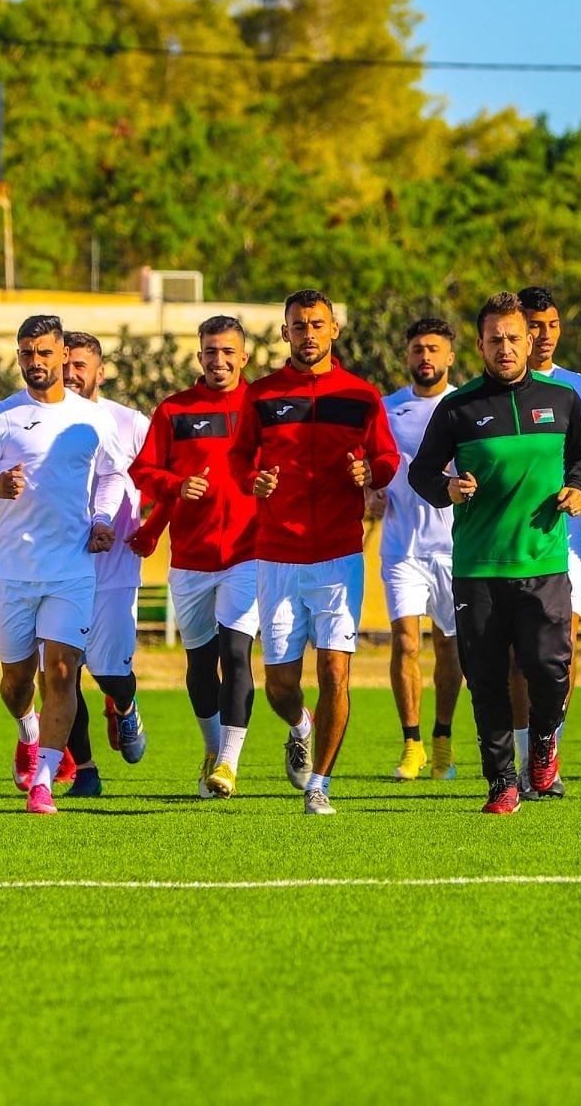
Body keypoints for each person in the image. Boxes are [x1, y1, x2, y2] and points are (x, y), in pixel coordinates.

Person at [407, 292, 581, 813]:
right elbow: (422, 471)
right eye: (495, 340)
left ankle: (542, 747)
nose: (506, 347)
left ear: (531, 339)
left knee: (550, 669)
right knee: (487, 680)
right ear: (480, 345)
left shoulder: (562, 399)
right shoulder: (458, 406)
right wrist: (446, 489)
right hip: (478, 568)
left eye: (514, 338)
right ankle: (502, 783)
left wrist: (580, 490)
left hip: (544, 563)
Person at [231, 289, 401, 815]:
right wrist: (252, 481)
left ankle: (319, 785)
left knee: (334, 672)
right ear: (285, 333)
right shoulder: (260, 395)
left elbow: (388, 458)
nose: (308, 334)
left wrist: (370, 474)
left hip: (338, 553)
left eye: (317, 324)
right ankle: (300, 724)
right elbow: (238, 459)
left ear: (334, 330)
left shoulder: (361, 395)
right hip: (277, 555)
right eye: (299, 325)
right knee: (281, 684)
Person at [0, 316, 120, 814]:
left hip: (71, 568)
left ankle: (44, 781)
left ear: (61, 353)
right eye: (27, 353)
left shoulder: (91, 418)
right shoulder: (1, 417)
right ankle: (27, 727)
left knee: (63, 673)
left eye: (44, 353)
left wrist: (101, 518)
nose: (35, 362)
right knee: (16, 679)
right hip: (12, 569)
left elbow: (112, 476)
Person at [130, 316, 260, 798]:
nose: (219, 360)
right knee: (201, 662)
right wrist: (176, 486)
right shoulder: (174, 411)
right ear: (199, 355)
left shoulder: (261, 406)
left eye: (228, 352)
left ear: (243, 357)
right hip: (190, 558)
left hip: (249, 553)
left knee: (236, 652)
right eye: (210, 351)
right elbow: (144, 471)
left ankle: (228, 763)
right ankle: (211, 750)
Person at [509, 286, 581, 792]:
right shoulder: (493, 388)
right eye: (534, 326)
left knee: (560, 652)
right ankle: (524, 759)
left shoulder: (577, 387)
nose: (544, 336)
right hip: (511, 541)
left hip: (566, 540)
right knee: (517, 659)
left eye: (552, 326)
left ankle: (548, 755)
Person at [372, 317, 463, 781]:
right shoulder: (388, 409)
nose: (425, 358)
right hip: (401, 548)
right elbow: (376, 468)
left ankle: (443, 738)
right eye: (416, 350)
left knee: (450, 649)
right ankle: (412, 745)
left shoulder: (467, 406)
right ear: (406, 356)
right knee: (405, 642)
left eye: (433, 349)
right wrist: (371, 492)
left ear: (450, 356)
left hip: (454, 549)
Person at [64, 330, 152, 793]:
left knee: (110, 673)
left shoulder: (130, 423)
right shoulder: (46, 420)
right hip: (60, 570)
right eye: (66, 363)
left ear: (100, 371)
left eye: (81, 365)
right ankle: (86, 771)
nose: (71, 373)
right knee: (62, 672)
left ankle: (124, 706)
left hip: (116, 569)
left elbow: (157, 475)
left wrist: (147, 523)